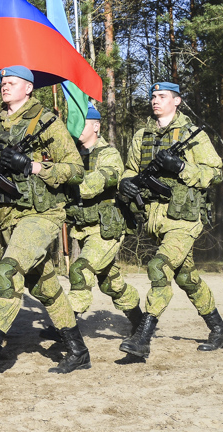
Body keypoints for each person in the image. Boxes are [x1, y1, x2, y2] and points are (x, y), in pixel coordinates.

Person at [0, 65, 89, 383]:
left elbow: (76, 170)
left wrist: (35, 166)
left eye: (12, 82)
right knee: (45, 286)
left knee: (7, 270)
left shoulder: (47, 122)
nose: (5, 86)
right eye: (3, 82)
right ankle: (79, 350)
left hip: (43, 213)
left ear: (28, 88)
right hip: (6, 217)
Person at [117, 82, 223, 359]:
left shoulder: (192, 135)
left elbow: (215, 173)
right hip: (155, 219)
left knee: (159, 267)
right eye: (153, 96)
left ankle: (142, 338)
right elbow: (130, 169)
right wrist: (126, 184)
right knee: (186, 277)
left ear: (177, 101)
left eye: (162, 96)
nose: (155, 101)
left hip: (185, 217)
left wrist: (180, 166)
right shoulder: (142, 135)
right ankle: (220, 331)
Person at [66, 105, 142, 331]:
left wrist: (67, 182)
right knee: (111, 283)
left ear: (96, 126)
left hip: (106, 229)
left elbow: (97, 183)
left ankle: (66, 325)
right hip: (83, 228)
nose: (77, 128)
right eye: (74, 123)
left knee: (81, 269)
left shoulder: (109, 154)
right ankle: (140, 323)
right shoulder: (73, 156)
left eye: (82, 123)